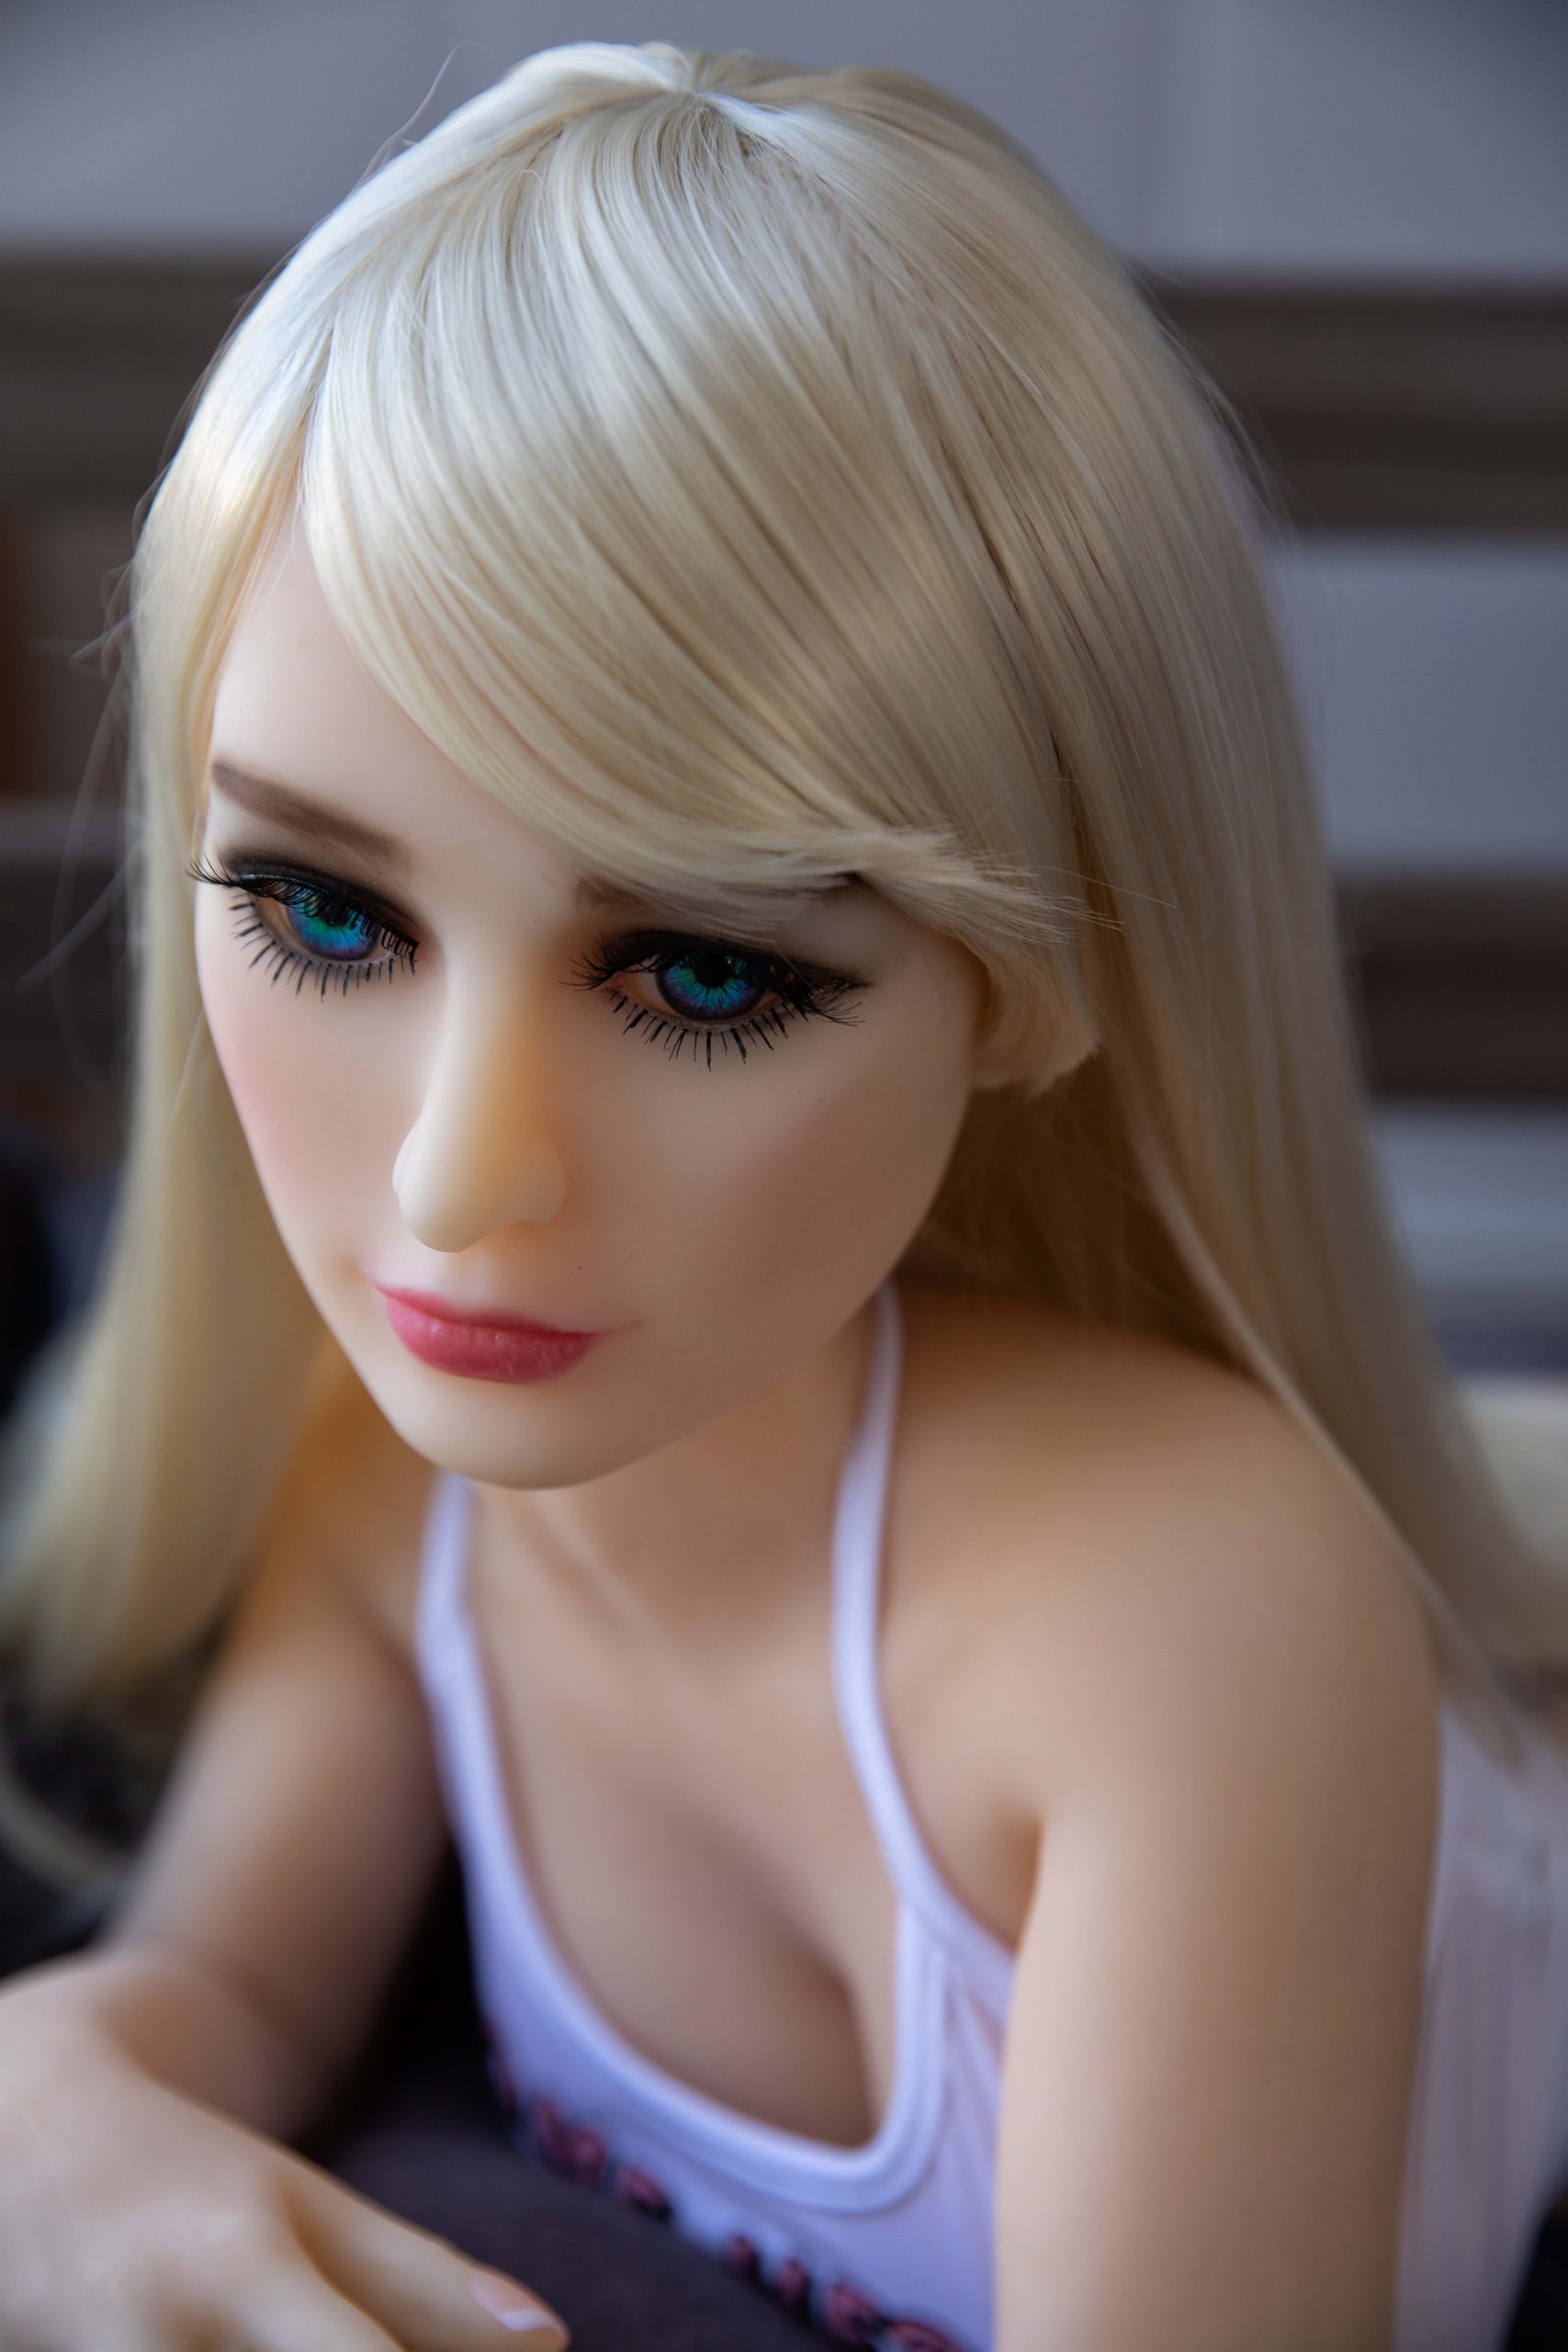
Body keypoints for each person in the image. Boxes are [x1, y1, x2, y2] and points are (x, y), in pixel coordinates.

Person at [0, 38, 1565, 2352]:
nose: (456, 1170)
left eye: (707, 974)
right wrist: (55, 2088)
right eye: (325, 914)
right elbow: (219, 1979)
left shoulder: (1183, 1624)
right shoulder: (390, 1503)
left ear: (1035, 990)